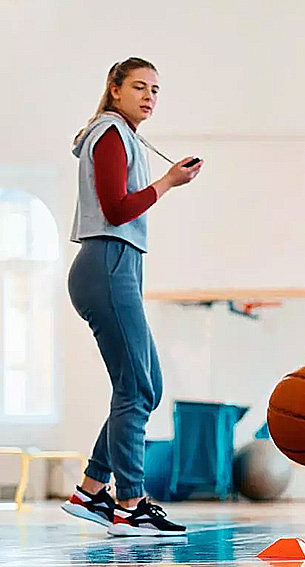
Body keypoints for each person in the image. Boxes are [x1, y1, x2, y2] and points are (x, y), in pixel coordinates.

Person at [61, 58, 203, 536]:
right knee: (136, 388)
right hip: (107, 265)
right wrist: (168, 183)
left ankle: (91, 489)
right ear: (115, 89)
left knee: (147, 386)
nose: (149, 96)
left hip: (117, 267)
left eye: (156, 90)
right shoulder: (109, 132)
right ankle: (130, 503)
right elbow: (117, 209)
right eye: (139, 86)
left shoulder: (122, 134)